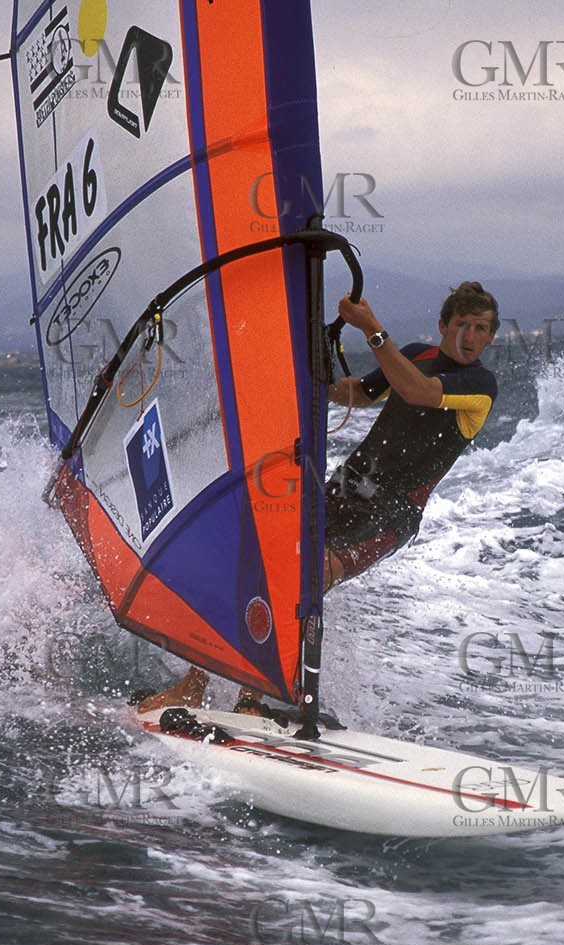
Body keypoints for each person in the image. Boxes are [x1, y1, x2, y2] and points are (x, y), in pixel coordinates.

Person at [136, 281, 501, 714]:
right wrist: (307, 375)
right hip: (346, 489)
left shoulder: (480, 386)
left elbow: (417, 391)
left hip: (390, 514)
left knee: (307, 577)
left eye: (481, 328)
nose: (470, 337)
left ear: (491, 337)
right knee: (254, 562)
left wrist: (371, 328)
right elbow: (359, 394)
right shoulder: (417, 355)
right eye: (462, 325)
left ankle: (253, 698)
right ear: (444, 325)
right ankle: (192, 686)